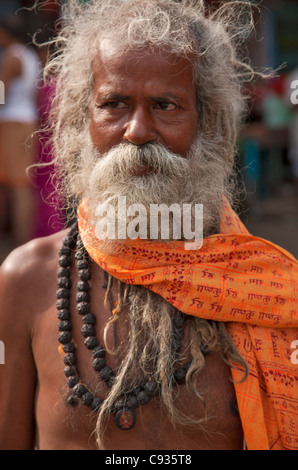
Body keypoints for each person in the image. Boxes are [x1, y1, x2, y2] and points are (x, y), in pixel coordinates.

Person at [0, 0, 297, 451]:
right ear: (85, 118)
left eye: (165, 105)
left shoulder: (268, 293)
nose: (137, 130)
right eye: (114, 104)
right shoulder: (25, 281)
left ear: (208, 122)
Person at [0, 14, 40, 247]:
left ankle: (19, 242)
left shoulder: (12, 56)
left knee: (17, 186)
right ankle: (22, 240)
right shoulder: (30, 56)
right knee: (21, 185)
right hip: (26, 121)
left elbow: (1, 93)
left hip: (12, 123)